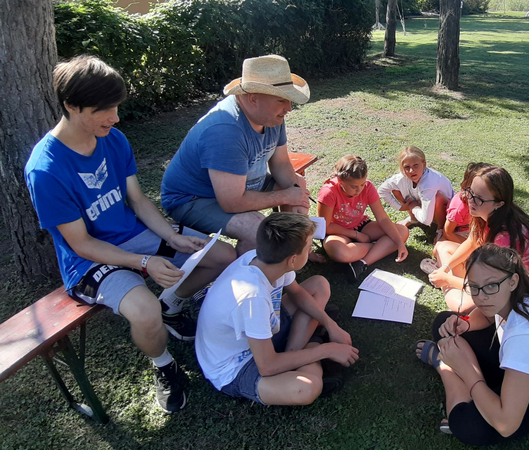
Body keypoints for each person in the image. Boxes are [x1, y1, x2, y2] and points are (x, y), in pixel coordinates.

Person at [24, 55, 237, 414]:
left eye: (117, 107)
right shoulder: (45, 170)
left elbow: (137, 200)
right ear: (72, 106)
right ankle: (164, 365)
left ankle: (172, 307)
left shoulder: (114, 139)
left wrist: (172, 238)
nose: (116, 117)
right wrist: (144, 262)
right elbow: (82, 243)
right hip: (87, 261)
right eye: (105, 109)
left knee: (221, 256)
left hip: (133, 235)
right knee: (144, 311)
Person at [415, 244, 529, 446]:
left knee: (467, 425)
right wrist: (467, 324)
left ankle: (444, 366)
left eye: (491, 286)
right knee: (444, 324)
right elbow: (487, 314)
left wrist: (466, 370)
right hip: (521, 362)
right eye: (474, 287)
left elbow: (506, 425)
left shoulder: (524, 336)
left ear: (512, 281)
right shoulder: (520, 291)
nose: (481, 297)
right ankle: (469, 379)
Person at [160, 55, 323, 261]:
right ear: (253, 98)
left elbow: (281, 163)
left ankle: (293, 250)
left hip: (241, 184)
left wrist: (296, 194)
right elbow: (232, 203)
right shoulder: (225, 131)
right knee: (257, 229)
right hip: (193, 198)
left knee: (296, 184)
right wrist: (287, 196)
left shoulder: (270, 116)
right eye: (281, 100)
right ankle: (247, 276)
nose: (289, 108)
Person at [195, 213, 359, 405]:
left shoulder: (263, 260)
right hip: (237, 365)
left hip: (262, 333)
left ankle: (295, 355)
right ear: (292, 260)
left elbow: (298, 293)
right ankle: (312, 344)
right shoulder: (253, 297)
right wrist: (327, 350)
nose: (310, 251)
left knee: (319, 285)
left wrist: (330, 325)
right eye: (308, 247)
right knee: (306, 388)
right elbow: (267, 366)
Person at [428, 166, 529, 312]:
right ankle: (449, 279)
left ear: (498, 203)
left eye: (478, 199)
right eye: (470, 192)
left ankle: (448, 284)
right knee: (442, 247)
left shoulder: (504, 238)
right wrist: (446, 268)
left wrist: (447, 280)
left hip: (518, 290)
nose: (470, 200)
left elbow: (492, 286)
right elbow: (472, 242)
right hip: (494, 273)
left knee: (460, 306)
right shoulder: (483, 213)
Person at [317, 155, 409, 281]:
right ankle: (380, 246)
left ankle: (362, 263)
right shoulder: (328, 192)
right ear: (340, 181)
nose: (359, 190)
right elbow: (325, 227)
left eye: (362, 184)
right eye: (354, 186)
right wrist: (356, 235)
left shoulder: (368, 187)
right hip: (337, 232)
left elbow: (382, 218)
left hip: (362, 225)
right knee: (339, 252)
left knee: (402, 231)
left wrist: (399, 243)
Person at [377, 146, 454, 242]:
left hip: (444, 210)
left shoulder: (429, 183)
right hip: (422, 206)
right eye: (407, 167)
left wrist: (413, 207)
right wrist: (400, 207)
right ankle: (413, 219)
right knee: (396, 190)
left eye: (416, 165)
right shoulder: (400, 178)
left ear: (424, 164)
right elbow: (382, 190)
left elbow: (426, 220)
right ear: (402, 168)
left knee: (437, 198)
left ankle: (441, 229)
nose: (411, 171)